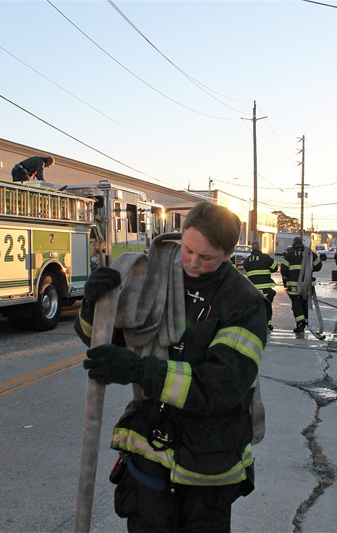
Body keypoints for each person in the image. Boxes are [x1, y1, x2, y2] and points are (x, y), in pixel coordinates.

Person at [75, 202, 267, 532]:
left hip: (208, 465)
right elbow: (105, 340)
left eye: (205, 257)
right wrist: (95, 306)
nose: (192, 262)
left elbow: (221, 385)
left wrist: (140, 371)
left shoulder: (244, 303)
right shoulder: (155, 276)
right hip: (149, 455)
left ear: (228, 254)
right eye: (188, 250)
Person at [280, 236, 322, 333]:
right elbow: (319, 266)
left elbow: (284, 270)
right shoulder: (309, 253)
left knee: (296, 303)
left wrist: (285, 282)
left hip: (293, 285)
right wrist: (311, 269)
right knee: (305, 302)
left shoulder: (289, 254)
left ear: (293, 244)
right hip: (307, 286)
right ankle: (306, 322)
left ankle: (300, 323)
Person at [243, 241, 279, 331]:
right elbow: (275, 267)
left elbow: (247, 274)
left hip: (254, 289)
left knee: (255, 307)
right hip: (266, 288)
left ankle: (256, 324)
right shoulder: (265, 257)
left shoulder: (246, 261)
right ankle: (268, 324)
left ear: (251, 248)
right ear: (259, 247)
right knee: (267, 305)